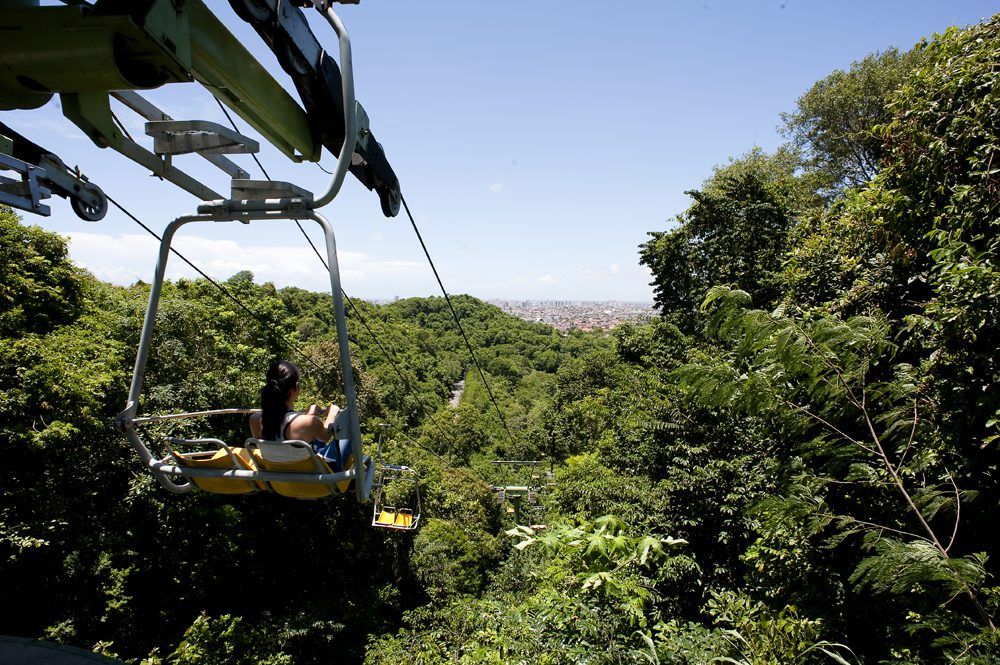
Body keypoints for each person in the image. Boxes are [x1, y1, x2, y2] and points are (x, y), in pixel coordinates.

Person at [248, 359, 351, 470]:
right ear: (296, 386)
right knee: (351, 432)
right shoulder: (309, 423)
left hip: (277, 479)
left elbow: (281, 426)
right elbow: (325, 436)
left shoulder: (255, 419)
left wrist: (309, 414)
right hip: (311, 480)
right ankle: (352, 478)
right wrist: (333, 412)